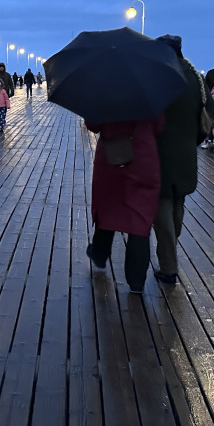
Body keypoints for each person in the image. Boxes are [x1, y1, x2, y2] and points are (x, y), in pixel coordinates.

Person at [153, 35, 214, 285]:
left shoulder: (158, 76)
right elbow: (210, 113)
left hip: (159, 151)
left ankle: (169, 266)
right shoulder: (195, 77)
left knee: (161, 209)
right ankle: (170, 253)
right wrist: (195, 138)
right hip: (186, 153)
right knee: (177, 204)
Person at [85, 115, 164, 293]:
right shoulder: (148, 92)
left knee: (108, 208)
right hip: (143, 156)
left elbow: (93, 123)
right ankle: (136, 281)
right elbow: (159, 125)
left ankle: (99, 253)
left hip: (112, 156)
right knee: (140, 219)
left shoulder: (106, 91)